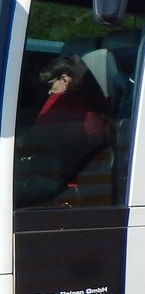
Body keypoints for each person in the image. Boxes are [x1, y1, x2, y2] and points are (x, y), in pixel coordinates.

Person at [14, 54, 111, 206]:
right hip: (83, 183)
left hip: (56, 185)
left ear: (65, 80)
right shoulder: (95, 106)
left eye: (50, 85)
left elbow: (28, 144)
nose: (49, 92)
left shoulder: (62, 101)